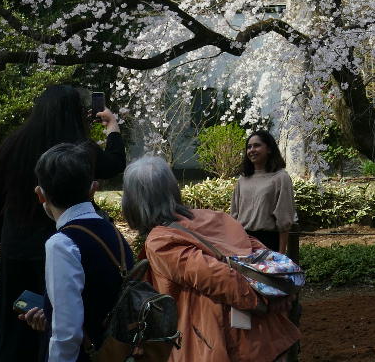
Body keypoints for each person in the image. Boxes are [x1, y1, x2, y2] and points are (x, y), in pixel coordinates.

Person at [0, 85, 127, 362]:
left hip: (17, 245)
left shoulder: (13, 144)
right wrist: (112, 127)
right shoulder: (80, 149)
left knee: (15, 322)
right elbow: (113, 164)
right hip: (63, 242)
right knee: (57, 317)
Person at [122, 155, 300, 362]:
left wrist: (265, 301)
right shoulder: (211, 216)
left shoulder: (160, 241)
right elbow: (258, 250)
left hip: (222, 341)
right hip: (264, 334)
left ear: (134, 201)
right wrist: (277, 292)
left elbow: (219, 278)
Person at [19, 142, 132, 362]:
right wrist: (50, 314)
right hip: (118, 349)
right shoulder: (110, 230)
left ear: (40, 195)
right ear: (93, 189)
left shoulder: (62, 244)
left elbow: (67, 334)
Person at [230, 130, 295, 253]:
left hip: (268, 243)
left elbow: (284, 219)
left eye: (257, 145)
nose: (252, 150)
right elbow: (234, 215)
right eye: (249, 147)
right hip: (243, 242)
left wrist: (281, 255)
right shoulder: (243, 179)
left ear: (269, 149)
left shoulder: (280, 178)